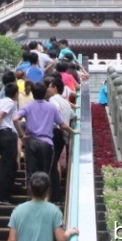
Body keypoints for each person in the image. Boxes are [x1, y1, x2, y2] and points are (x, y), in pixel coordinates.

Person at [14, 82, 79, 184]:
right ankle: (44, 192)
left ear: (32, 93)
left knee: (31, 173)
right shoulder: (51, 107)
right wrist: (73, 131)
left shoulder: (28, 106)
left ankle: (31, 192)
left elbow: (15, 119)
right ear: (45, 93)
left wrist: (21, 135)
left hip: (31, 142)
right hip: (46, 143)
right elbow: (63, 125)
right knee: (45, 174)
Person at [7, 171, 79, 241]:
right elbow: (61, 239)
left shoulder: (17, 211)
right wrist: (68, 232)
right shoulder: (54, 211)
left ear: (30, 189)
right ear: (48, 190)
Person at [45, 75, 74, 204]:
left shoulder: (52, 102)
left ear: (55, 88)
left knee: (50, 166)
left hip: (54, 134)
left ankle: (54, 195)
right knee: (52, 166)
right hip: (62, 138)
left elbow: (55, 120)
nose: (47, 89)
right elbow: (72, 115)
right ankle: (55, 195)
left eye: (49, 87)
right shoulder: (65, 102)